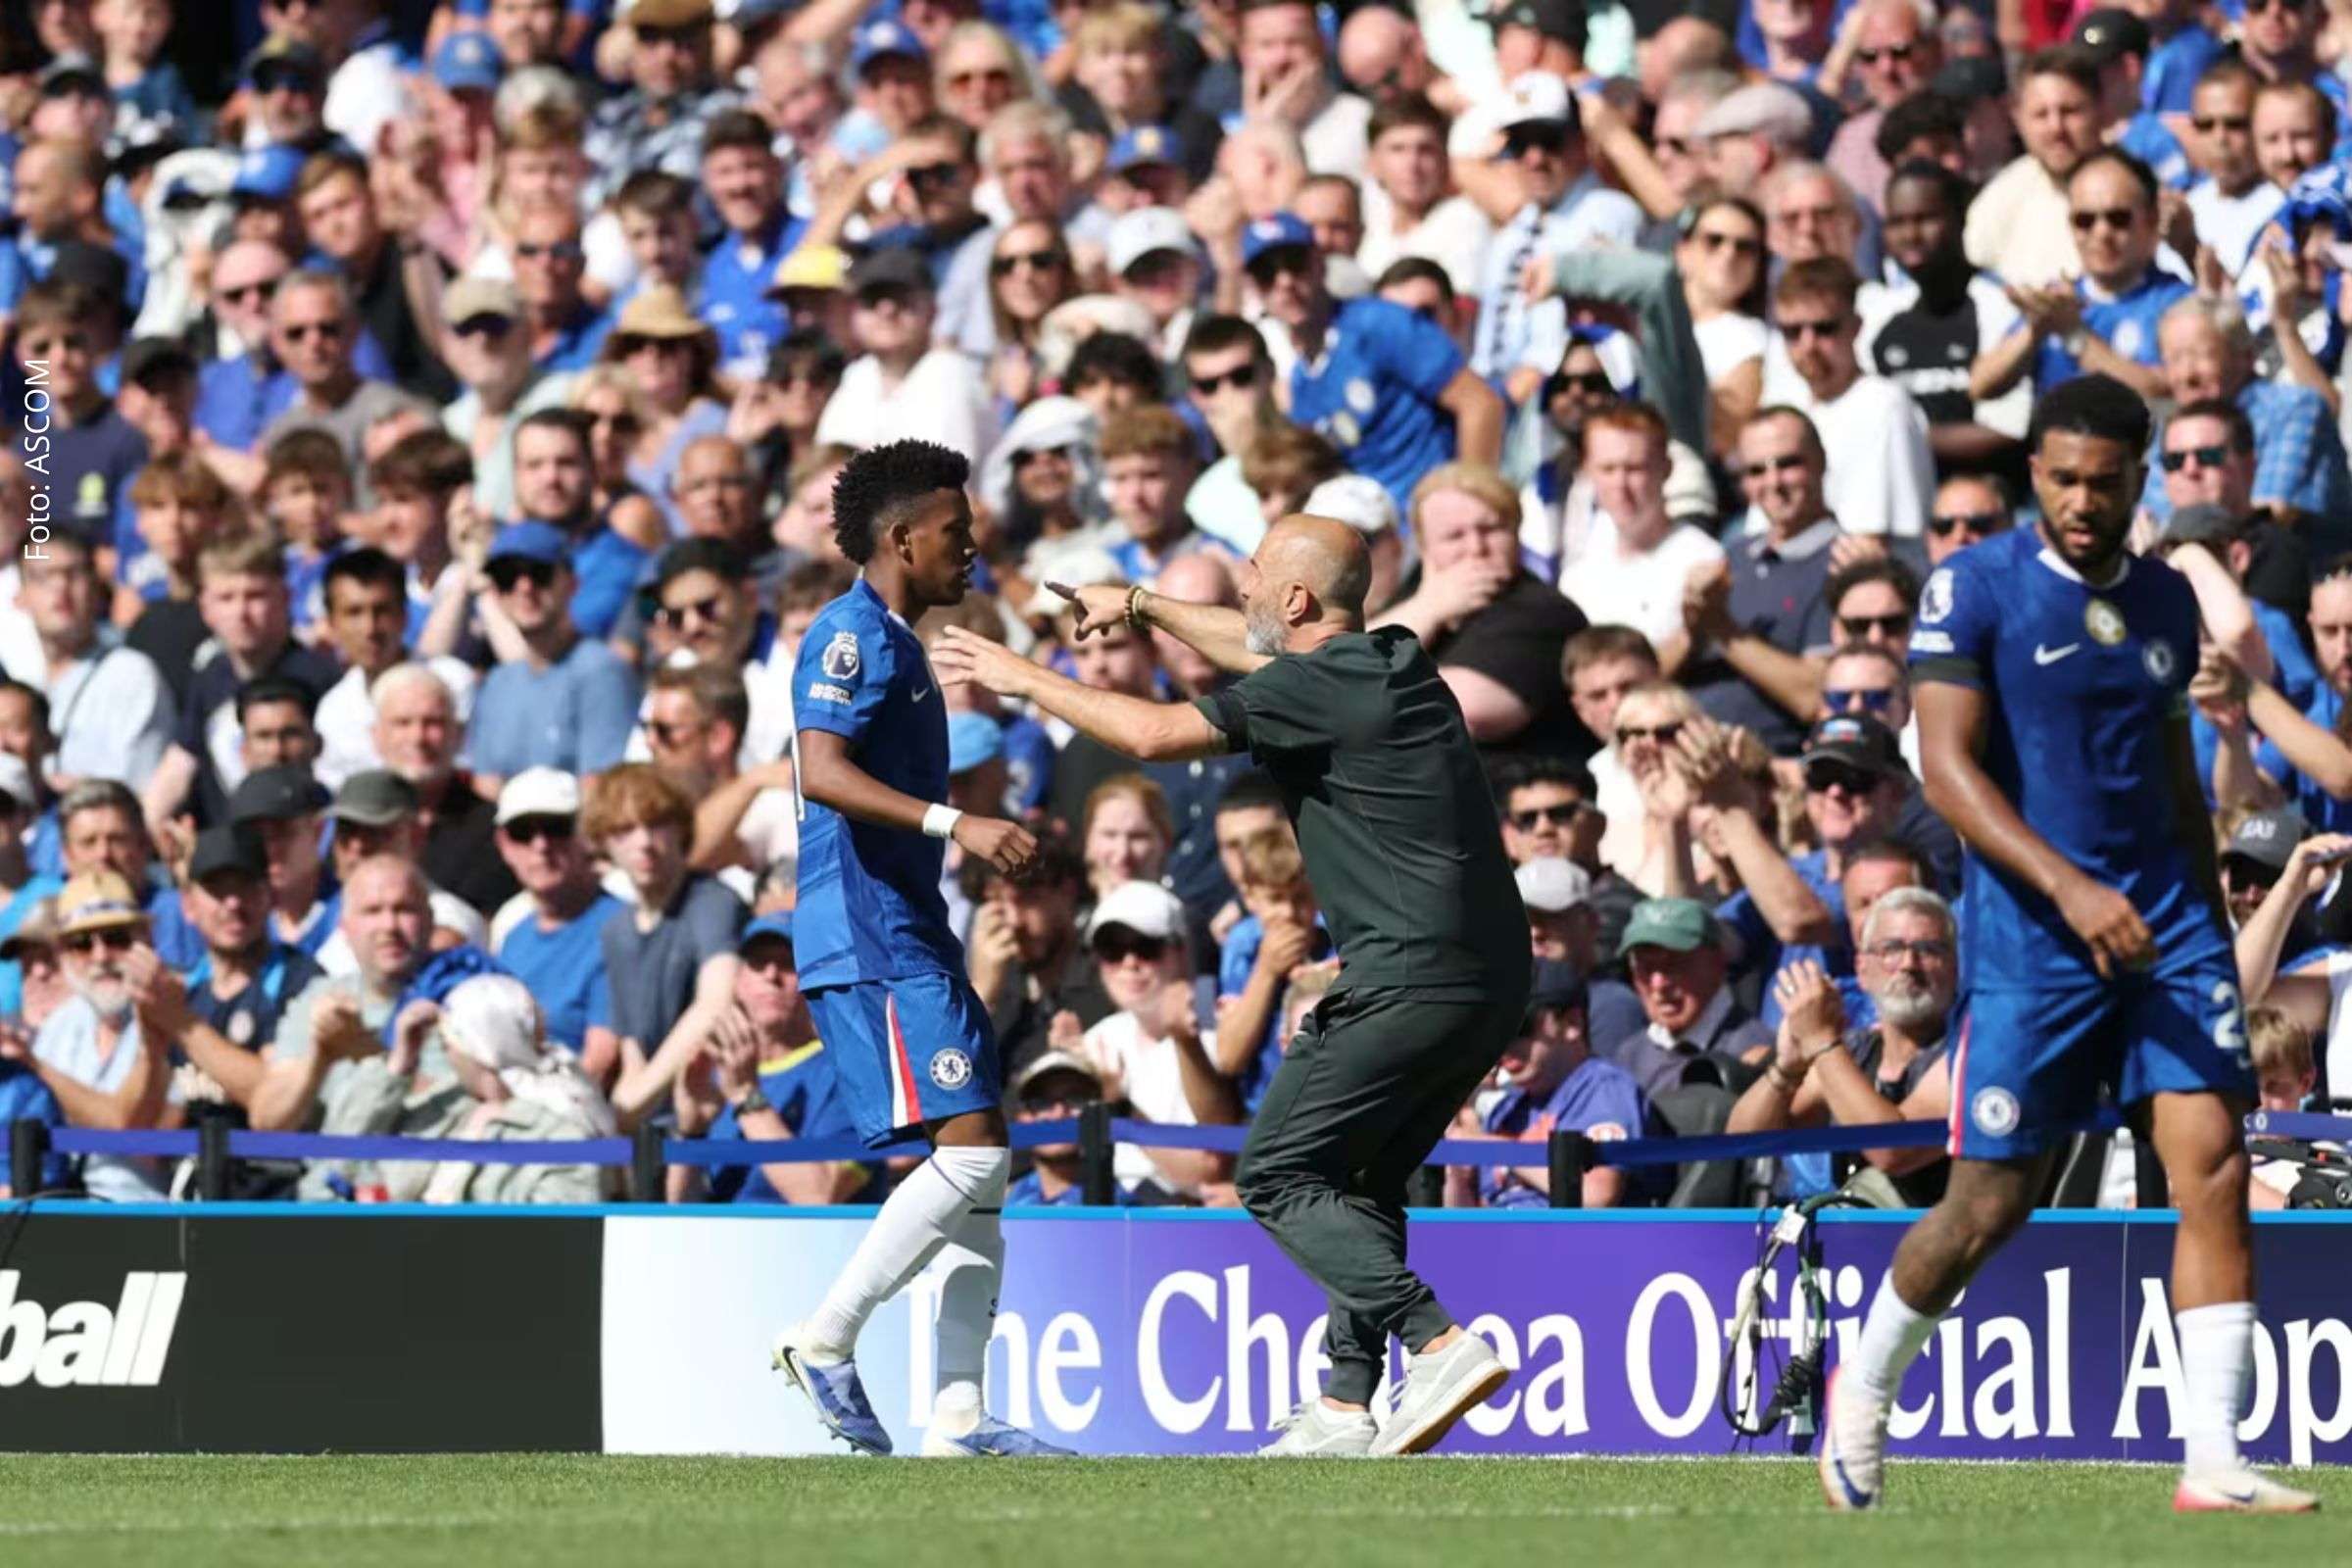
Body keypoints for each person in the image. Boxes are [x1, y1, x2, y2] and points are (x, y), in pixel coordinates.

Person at [933, 510, 1530, 1459]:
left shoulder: (1317, 685)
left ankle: (1440, 1342)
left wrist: (1020, 677)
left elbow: (1153, 730)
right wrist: (1135, 604)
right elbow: (1255, 642)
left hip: (1409, 970)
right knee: (1359, 1171)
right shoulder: (1390, 658)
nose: (1239, 586)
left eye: (1250, 571)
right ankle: (1343, 1405)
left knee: (1278, 1171)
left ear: (1294, 598)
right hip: (1490, 976)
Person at [1821, 374, 2314, 1512]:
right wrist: (2071, 888)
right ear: (2032, 473)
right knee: (1992, 1202)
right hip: (2038, 942)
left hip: (2171, 934)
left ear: (2139, 480)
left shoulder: (2165, 600)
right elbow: (1945, 771)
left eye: (2103, 482)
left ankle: (2214, 1459)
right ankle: (1864, 1390)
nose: (2081, 501)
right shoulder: (1974, 587)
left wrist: (2201, 909)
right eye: (2060, 479)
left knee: (2216, 1165)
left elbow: (2173, 779)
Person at [769, 439, 1067, 1460]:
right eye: (956, 530)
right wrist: (958, 825)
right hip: (869, 932)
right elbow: (820, 771)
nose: (973, 547)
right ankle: (827, 1338)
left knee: (979, 1161)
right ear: (902, 537)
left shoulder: (898, 639)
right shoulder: (852, 636)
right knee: (977, 1149)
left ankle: (958, 1416)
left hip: (906, 929)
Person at [1727, 894, 1958, 1206]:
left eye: (1929, 949)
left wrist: (1821, 1041)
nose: (1908, 964)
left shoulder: (1967, 1054)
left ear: (1956, 966)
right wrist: (1788, 1067)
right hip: (1849, 1247)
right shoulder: (1853, 1051)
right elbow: (1742, 1144)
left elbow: (1894, 1152)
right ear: (1861, 969)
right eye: (1891, 949)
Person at [1446, 960, 1646, 1209]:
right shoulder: (1507, 1110)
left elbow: (1596, 1194)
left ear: (1572, 1024)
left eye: (1520, 1027)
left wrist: (1489, 1147)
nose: (1504, 1045)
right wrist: (1457, 1175)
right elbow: (1465, 1225)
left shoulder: (1603, 1088)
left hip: (1575, 1244)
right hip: (1496, 1243)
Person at [490, 768, 622, 1078]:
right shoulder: (513, 934)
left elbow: (601, 1062)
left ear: (585, 834)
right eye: (522, 832)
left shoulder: (619, 929)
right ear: (504, 844)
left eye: (556, 828)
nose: (540, 846)